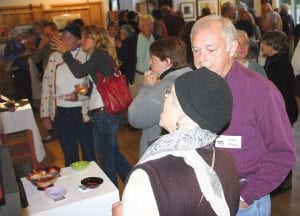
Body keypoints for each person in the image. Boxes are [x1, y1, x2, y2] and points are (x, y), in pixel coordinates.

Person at [190, 15, 296, 215]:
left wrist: (247, 194)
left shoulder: (262, 92)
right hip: (202, 193)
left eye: (210, 50)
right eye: (196, 50)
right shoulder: (195, 86)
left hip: (242, 199)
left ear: (232, 48)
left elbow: (283, 154)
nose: (201, 59)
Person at [113, 68, 240, 216]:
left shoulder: (151, 176)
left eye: (169, 93)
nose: (164, 98)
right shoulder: (226, 160)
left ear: (183, 112)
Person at [51, 25, 132, 187]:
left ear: (96, 39)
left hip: (103, 114)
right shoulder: (99, 56)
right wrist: (82, 93)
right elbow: (98, 87)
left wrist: (65, 54)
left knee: (105, 158)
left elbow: (79, 72)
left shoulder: (99, 54)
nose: (82, 41)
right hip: (106, 113)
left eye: (86, 37)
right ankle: (134, 185)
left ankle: (111, 197)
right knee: (114, 155)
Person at [40, 24, 96, 167]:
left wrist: (78, 96)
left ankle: (93, 183)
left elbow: (93, 86)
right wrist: (45, 115)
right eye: (63, 36)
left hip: (82, 112)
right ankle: (74, 184)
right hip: (61, 112)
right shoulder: (54, 57)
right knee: (69, 151)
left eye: (70, 37)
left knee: (88, 150)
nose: (65, 40)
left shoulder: (87, 56)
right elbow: (47, 85)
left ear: (79, 40)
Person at [128, 37, 192, 157]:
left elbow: (135, 118)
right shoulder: (190, 77)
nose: (149, 62)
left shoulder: (162, 89)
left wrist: (146, 87)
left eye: (152, 58)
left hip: (160, 153)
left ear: (167, 61)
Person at [261, 30, 298, 125]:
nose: (261, 46)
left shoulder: (280, 64)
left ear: (271, 46)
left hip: (283, 109)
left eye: (264, 43)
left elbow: (281, 90)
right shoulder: (273, 58)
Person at [118, 15, 160, 97]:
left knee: (152, 101)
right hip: (136, 76)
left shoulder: (158, 39)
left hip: (153, 76)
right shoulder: (130, 41)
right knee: (135, 104)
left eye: (151, 24)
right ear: (140, 27)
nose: (150, 27)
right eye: (147, 25)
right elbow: (123, 59)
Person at [4, 28, 32, 103]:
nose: (21, 37)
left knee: (27, 87)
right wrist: (20, 55)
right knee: (20, 88)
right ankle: (23, 106)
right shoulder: (10, 44)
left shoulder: (21, 44)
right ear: (14, 36)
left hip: (25, 68)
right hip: (17, 69)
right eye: (19, 35)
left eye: (21, 35)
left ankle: (30, 105)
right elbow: (7, 57)